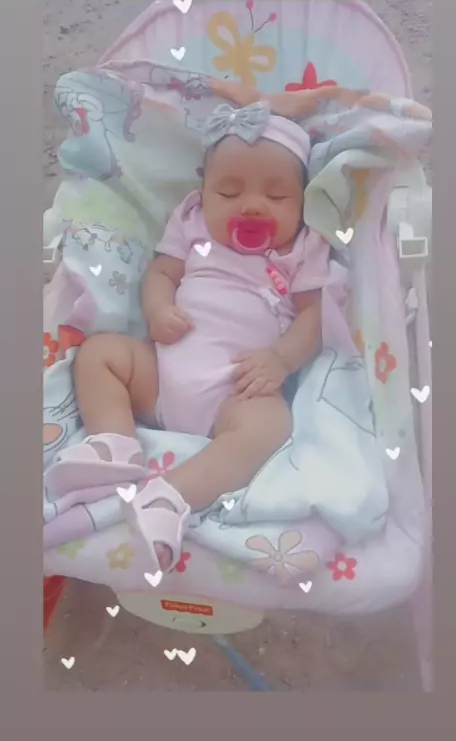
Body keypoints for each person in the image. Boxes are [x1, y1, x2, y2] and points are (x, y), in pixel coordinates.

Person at [46, 99, 332, 574]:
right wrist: (158, 309)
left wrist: (281, 360)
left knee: (271, 425)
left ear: (302, 204)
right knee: (100, 354)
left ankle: (170, 497)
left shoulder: (301, 248)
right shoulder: (193, 221)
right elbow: (162, 272)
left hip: (237, 392)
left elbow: (314, 316)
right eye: (229, 191)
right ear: (203, 194)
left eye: (277, 195)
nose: (252, 204)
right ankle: (114, 443)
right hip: (161, 376)